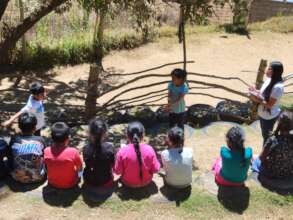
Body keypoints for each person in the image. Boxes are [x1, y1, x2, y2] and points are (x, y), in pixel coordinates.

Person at [114, 121, 160, 188]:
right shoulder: (150, 149)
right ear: (143, 135)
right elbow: (156, 169)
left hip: (128, 183)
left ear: (127, 135)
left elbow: (118, 171)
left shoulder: (122, 151)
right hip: (146, 182)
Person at [249, 61, 285, 146]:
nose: (267, 70)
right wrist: (254, 91)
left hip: (269, 117)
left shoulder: (278, 87)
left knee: (266, 138)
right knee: (265, 135)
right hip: (263, 113)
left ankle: (265, 156)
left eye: (270, 69)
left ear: (275, 71)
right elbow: (263, 93)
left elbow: (269, 105)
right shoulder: (269, 80)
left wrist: (257, 99)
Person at [252, 112, 293, 180]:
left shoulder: (273, 139)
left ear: (279, 123)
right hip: (287, 172)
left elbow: (261, 158)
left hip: (272, 172)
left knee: (255, 159)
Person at [8, 112, 46, 184]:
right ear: (35, 128)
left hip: (17, 177)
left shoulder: (14, 140)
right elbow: (45, 155)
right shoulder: (40, 140)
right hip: (39, 177)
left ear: (19, 127)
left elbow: (10, 156)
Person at [44, 122, 82, 189]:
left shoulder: (46, 151)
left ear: (52, 138)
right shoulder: (74, 152)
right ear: (68, 138)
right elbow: (80, 168)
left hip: (52, 183)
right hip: (70, 184)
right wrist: (79, 177)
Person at [83, 119, 115, 188]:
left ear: (89, 133)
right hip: (106, 181)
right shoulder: (110, 147)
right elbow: (113, 165)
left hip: (89, 181)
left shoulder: (86, 148)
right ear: (105, 133)